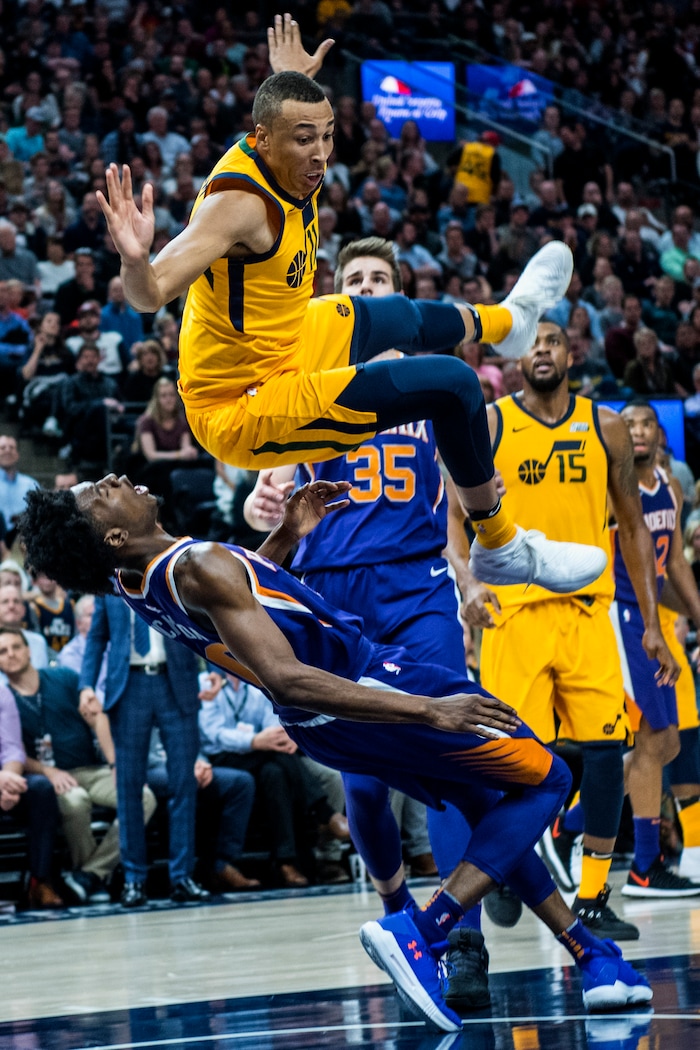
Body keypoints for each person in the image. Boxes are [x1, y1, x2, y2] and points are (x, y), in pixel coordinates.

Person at [18, 478, 652, 1033]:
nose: (118, 478)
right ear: (113, 536)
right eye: (103, 491)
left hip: (324, 722)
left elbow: (241, 604)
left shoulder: (140, 583)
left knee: (485, 805)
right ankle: (425, 930)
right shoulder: (198, 563)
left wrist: (286, 538)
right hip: (363, 686)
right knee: (549, 778)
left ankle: (590, 954)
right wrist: (432, 710)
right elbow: (285, 671)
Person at [95, 15, 605, 600]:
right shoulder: (237, 207)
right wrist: (134, 258)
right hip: (240, 405)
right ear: (262, 141)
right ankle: (501, 546)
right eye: (303, 139)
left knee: (390, 314)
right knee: (454, 384)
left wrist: (290, 79)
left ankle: (510, 324)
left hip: (282, 340)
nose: (320, 155)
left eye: (327, 135)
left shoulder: (281, 141)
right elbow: (150, 293)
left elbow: (282, 107)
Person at [244, 235, 488, 1008]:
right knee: (365, 783)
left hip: (416, 583)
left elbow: (461, 488)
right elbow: (266, 486)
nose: (370, 289)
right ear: (338, 300)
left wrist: (470, 570)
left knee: (456, 754)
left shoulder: (433, 382)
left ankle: (463, 941)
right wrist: (259, 501)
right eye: (357, 281)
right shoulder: (306, 376)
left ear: (400, 298)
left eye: (382, 280)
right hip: (333, 592)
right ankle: (397, 919)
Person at [463, 321, 677, 940]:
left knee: (608, 752)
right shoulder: (494, 421)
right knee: (512, 760)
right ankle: (504, 872)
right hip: (515, 612)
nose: (542, 350)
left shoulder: (605, 424)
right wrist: (468, 588)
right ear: (516, 357)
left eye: (552, 340)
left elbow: (634, 528)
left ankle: (592, 897)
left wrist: (654, 623)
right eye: (532, 342)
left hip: (588, 610)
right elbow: (453, 508)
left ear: (570, 352)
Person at [615, 401, 700, 898]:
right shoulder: (613, 489)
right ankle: (644, 866)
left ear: (660, 434)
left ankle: (569, 825)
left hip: (649, 620)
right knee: (653, 738)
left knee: (665, 743)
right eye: (628, 424)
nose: (639, 431)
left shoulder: (668, 486)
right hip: (619, 614)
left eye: (647, 422)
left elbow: (671, 569)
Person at [0, 627, 150, 905]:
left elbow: (98, 718)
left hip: (91, 769)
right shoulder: (5, 698)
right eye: (3, 651)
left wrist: (116, 764)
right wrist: (48, 771)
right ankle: (91, 880)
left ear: (29, 649)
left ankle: (88, 875)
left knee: (142, 797)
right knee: (76, 802)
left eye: (16, 647)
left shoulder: (64, 678)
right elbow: (14, 752)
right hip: (55, 777)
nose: (11, 655)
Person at [79, 592, 210, 908]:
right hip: (128, 686)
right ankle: (134, 879)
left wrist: (216, 671)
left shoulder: (168, 570)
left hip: (175, 681)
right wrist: (85, 685)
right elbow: (97, 638)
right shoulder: (108, 583)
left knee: (183, 785)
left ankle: (182, 877)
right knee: (129, 788)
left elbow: (205, 621)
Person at [198, 672, 348, 888]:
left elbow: (271, 721)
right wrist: (253, 741)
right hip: (219, 758)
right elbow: (213, 733)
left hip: (261, 757)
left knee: (274, 773)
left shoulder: (253, 676)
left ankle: (285, 862)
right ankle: (324, 812)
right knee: (276, 757)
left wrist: (273, 738)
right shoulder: (207, 679)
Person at [146, 726, 261, 894]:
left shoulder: (180, 701)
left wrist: (201, 763)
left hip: (189, 765)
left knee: (241, 782)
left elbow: (195, 740)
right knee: (184, 785)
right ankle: (181, 874)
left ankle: (221, 864)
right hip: (151, 769)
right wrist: (182, 769)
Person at [0, 681, 64, 909]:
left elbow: (12, 747)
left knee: (41, 790)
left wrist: (10, 781)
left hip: (6, 781)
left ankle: (40, 881)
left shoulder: (1, 692)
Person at [0, 435, 39, 549]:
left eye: (11, 448)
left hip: (25, 544)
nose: (8, 450)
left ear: (17, 454)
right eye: (3, 448)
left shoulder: (31, 484)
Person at [28, 572, 75, 655]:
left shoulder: (69, 604)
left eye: (50, 577)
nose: (47, 582)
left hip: (69, 655)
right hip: (46, 655)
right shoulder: (34, 607)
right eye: (43, 577)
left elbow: (76, 634)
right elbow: (37, 637)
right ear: (36, 580)